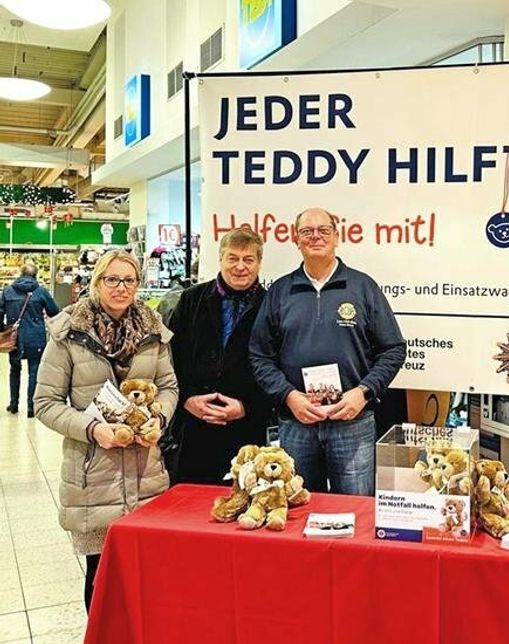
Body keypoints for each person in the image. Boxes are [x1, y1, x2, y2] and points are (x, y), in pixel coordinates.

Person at [33, 250, 178, 612]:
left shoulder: (153, 331)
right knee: (101, 578)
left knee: (149, 576)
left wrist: (159, 419)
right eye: (111, 279)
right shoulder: (69, 333)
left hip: (146, 474)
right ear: (97, 282)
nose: (120, 288)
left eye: (128, 280)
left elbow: (169, 387)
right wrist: (93, 429)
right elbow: (46, 403)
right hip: (94, 476)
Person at [250, 208, 405, 495]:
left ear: (336, 236)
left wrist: (364, 392)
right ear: (296, 240)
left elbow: (393, 350)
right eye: (307, 231)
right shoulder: (280, 292)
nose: (316, 236)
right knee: (297, 505)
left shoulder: (363, 287)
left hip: (352, 422)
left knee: (355, 508)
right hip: (296, 421)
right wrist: (288, 395)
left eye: (323, 230)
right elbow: (260, 356)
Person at [167, 227, 270, 484]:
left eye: (248, 259)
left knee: (242, 499)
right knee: (190, 501)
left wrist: (248, 407)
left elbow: (277, 365)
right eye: (232, 258)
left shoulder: (271, 306)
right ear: (220, 259)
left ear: (259, 263)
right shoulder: (191, 300)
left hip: (247, 430)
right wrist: (186, 399)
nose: (240, 267)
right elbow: (170, 356)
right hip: (192, 429)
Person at [1, 263, 59, 417]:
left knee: (14, 369)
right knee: (34, 370)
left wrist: (2, 331)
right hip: (36, 336)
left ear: (21, 274)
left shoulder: (7, 291)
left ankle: (14, 404)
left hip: (15, 338)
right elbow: (54, 311)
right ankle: (31, 407)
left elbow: (0, 312)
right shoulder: (41, 291)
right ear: (35, 275)